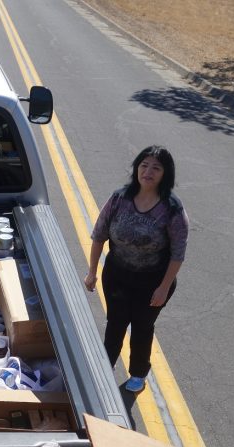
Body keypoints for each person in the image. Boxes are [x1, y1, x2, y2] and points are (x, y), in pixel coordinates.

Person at [84, 145, 189, 393]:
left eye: (156, 168)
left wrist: (163, 288)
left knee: (142, 326)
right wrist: (92, 271)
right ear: (136, 169)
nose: (148, 172)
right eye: (144, 165)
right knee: (116, 323)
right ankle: (104, 368)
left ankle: (138, 373)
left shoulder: (172, 208)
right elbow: (99, 235)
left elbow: (178, 253)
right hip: (118, 274)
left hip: (153, 280)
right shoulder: (120, 198)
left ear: (166, 174)